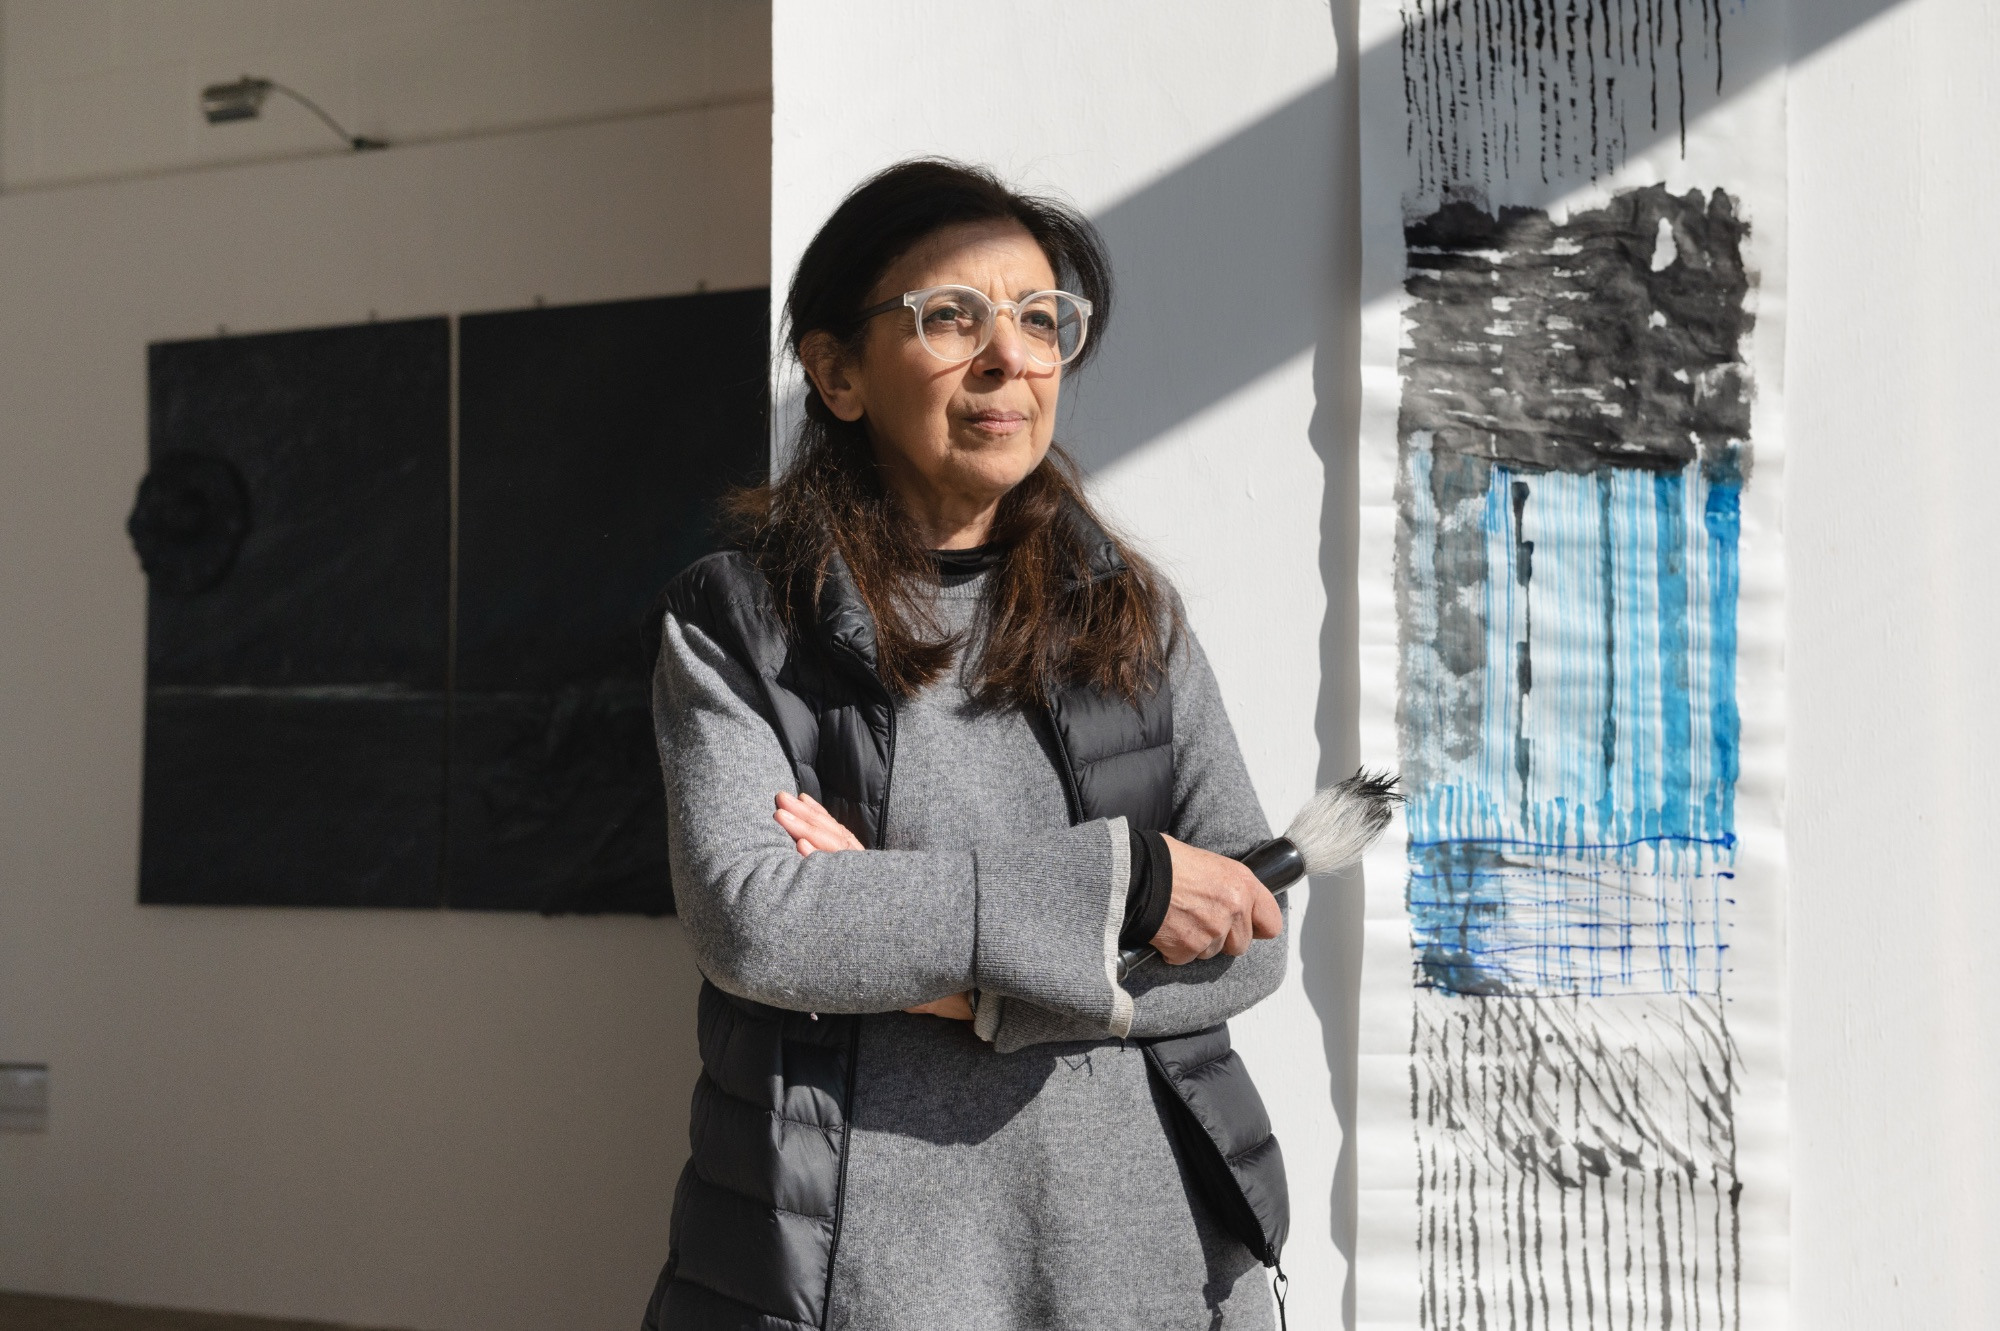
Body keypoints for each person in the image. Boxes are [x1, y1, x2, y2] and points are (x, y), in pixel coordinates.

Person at [644, 159, 1290, 1331]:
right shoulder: (740, 620)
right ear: (837, 372)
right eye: (951, 316)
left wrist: (970, 990)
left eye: (1041, 320)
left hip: (1146, 1263)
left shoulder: (1126, 614)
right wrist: (1128, 885)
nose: (1007, 357)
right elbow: (760, 918)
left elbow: (1246, 936)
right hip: (862, 1276)